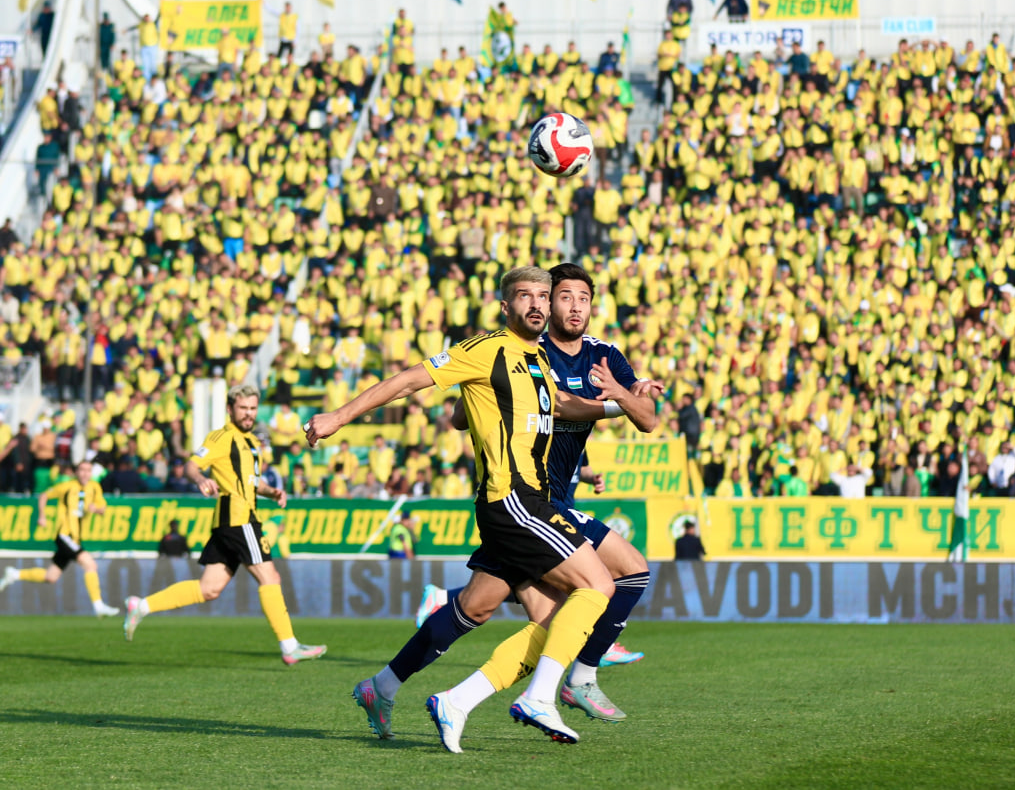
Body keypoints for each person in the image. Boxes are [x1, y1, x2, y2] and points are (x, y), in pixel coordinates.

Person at [308, 266, 616, 749]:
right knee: (600, 584)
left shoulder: (535, 358)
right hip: (515, 499)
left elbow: (556, 406)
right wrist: (339, 416)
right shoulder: (486, 347)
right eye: (524, 296)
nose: (536, 304)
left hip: (519, 503)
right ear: (505, 306)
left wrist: (621, 404)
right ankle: (538, 698)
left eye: (542, 295)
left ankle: (385, 687)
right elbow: (413, 379)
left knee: (491, 609)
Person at [409, 263, 660, 745]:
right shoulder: (528, 345)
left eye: (582, 298)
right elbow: (469, 414)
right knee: (607, 583)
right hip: (527, 499)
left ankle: (429, 684)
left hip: (549, 499)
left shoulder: (605, 356)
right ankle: (573, 681)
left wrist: (624, 396)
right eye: (563, 297)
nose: (572, 307)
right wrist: (477, 388)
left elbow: (647, 419)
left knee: (506, 608)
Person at [121, 384, 326, 666]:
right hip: (239, 518)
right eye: (243, 408)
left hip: (231, 521)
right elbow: (193, 464)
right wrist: (201, 479)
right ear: (230, 409)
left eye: (253, 408)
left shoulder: (253, 443)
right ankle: (289, 646)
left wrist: (273, 492)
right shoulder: (221, 438)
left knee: (209, 589)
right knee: (271, 577)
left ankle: (141, 606)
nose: (248, 414)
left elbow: (253, 481)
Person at [0, 460, 119, 617]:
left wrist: (97, 509)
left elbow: (102, 508)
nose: (85, 473)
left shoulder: (94, 487)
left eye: (88, 470)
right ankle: (98, 606)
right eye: (82, 470)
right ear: (76, 472)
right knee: (90, 564)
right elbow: (44, 496)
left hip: (75, 539)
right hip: (64, 535)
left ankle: (15, 574)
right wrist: (42, 516)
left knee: (51, 576)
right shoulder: (67, 487)